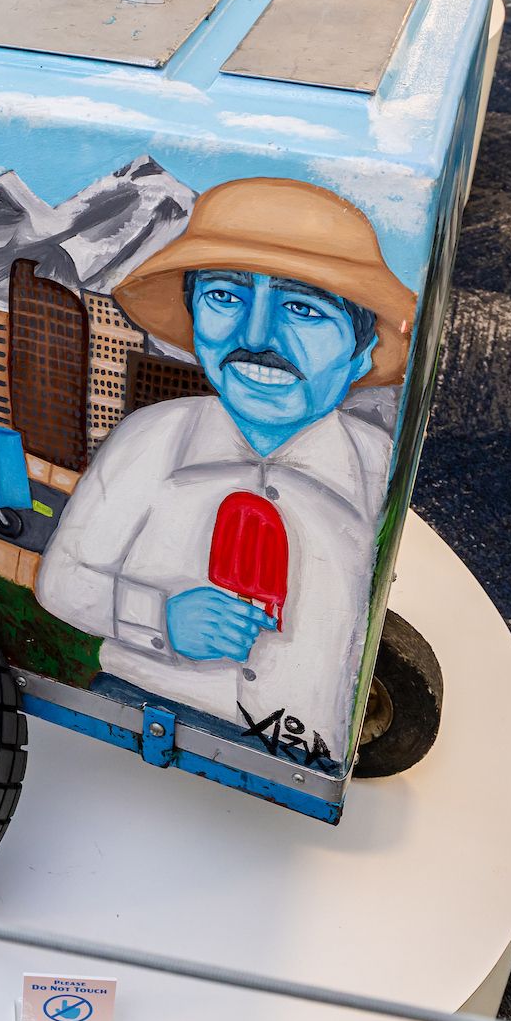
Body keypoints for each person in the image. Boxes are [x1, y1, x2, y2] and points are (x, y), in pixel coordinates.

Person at [35, 178, 416, 769]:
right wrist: (160, 619)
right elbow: (60, 582)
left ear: (362, 353)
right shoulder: (151, 438)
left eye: (303, 308)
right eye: (224, 297)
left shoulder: (374, 471)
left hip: (303, 734)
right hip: (142, 703)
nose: (257, 336)